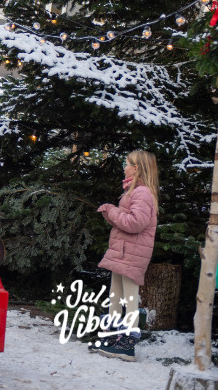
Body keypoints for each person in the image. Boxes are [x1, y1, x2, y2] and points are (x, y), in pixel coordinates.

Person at [92, 150, 159, 362]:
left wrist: (112, 211)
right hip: (122, 253)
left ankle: (127, 345)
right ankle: (112, 337)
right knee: (116, 295)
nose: (124, 166)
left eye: (126, 163)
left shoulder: (142, 193)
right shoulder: (134, 191)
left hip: (131, 254)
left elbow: (135, 223)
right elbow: (127, 220)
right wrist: (111, 214)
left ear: (137, 168)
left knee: (129, 298)